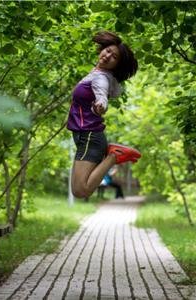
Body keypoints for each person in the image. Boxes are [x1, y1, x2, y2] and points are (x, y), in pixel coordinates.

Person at [67, 31, 140, 198]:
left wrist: (101, 106)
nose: (107, 56)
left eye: (114, 57)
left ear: (116, 65)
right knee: (79, 189)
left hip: (89, 136)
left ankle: (114, 155)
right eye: (108, 51)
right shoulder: (97, 73)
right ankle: (113, 154)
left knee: (81, 191)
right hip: (84, 136)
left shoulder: (101, 78)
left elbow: (101, 97)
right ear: (102, 49)